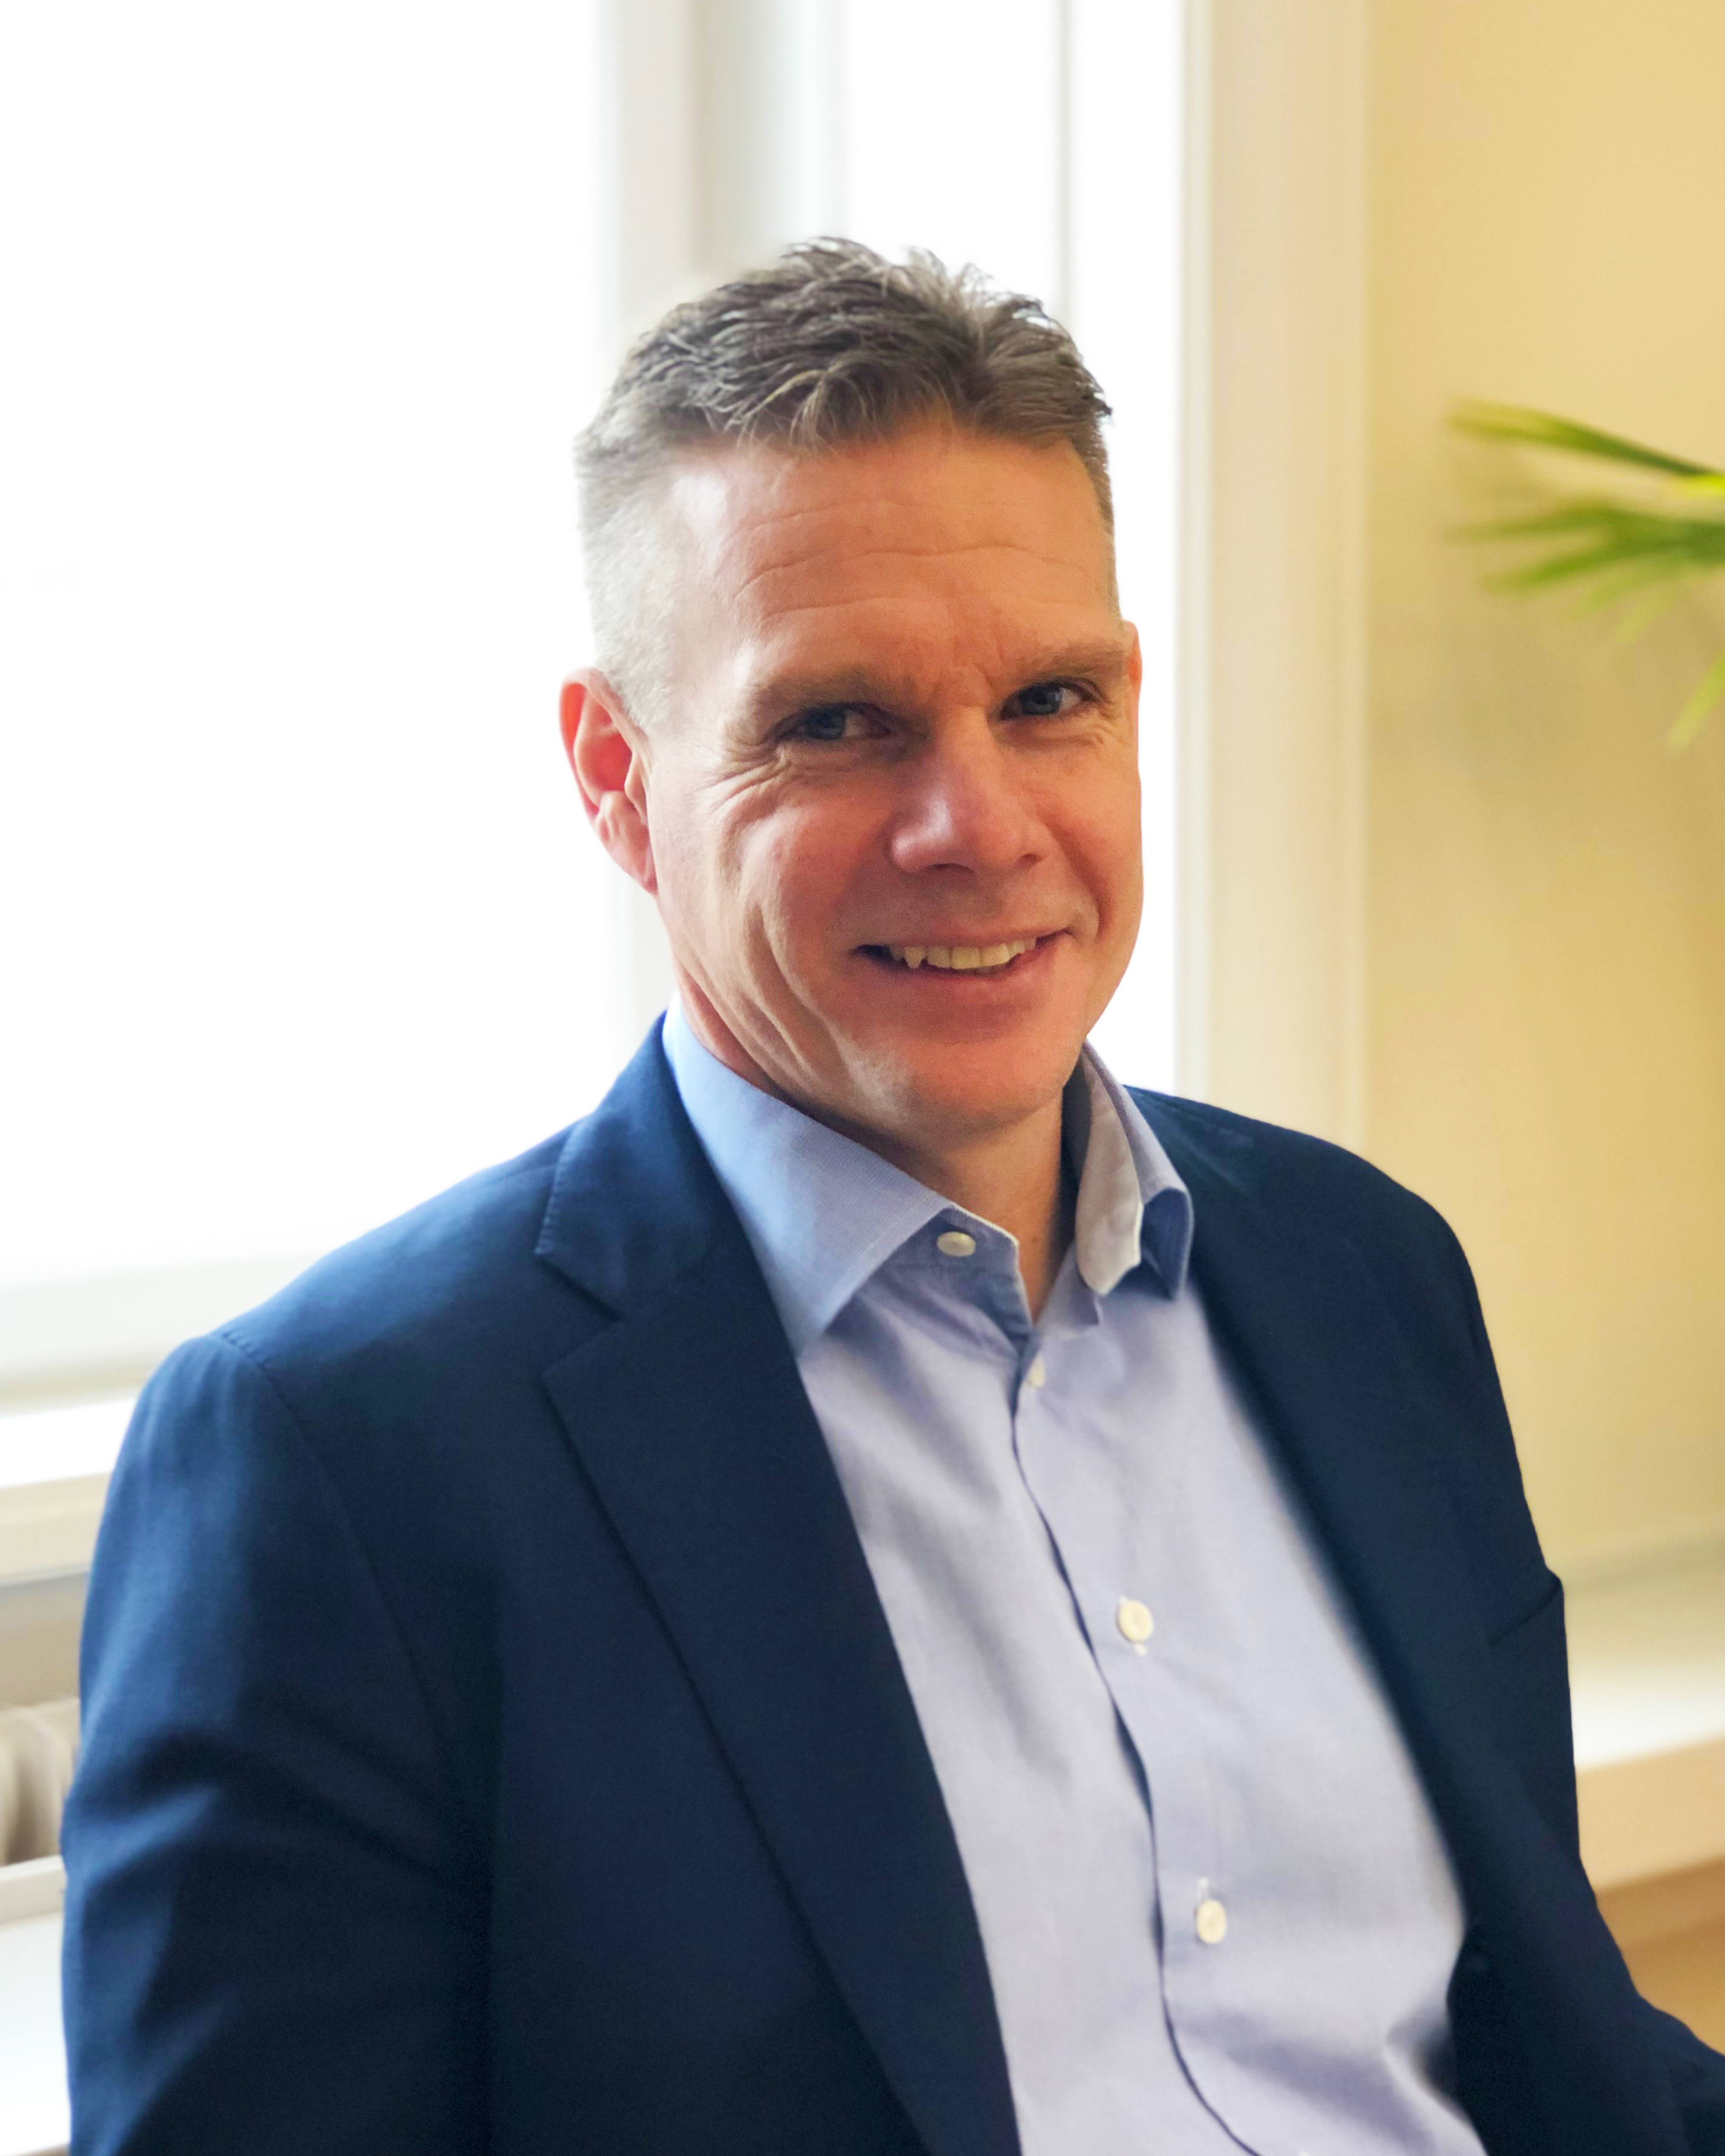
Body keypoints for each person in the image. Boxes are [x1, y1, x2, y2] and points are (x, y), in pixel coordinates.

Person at [62, 241, 1725, 2156]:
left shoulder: (1362, 1268)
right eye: (835, 724)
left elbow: (1536, 2036)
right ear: (617, 779)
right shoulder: (339, 1453)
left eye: (1047, 698)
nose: (977, 828)